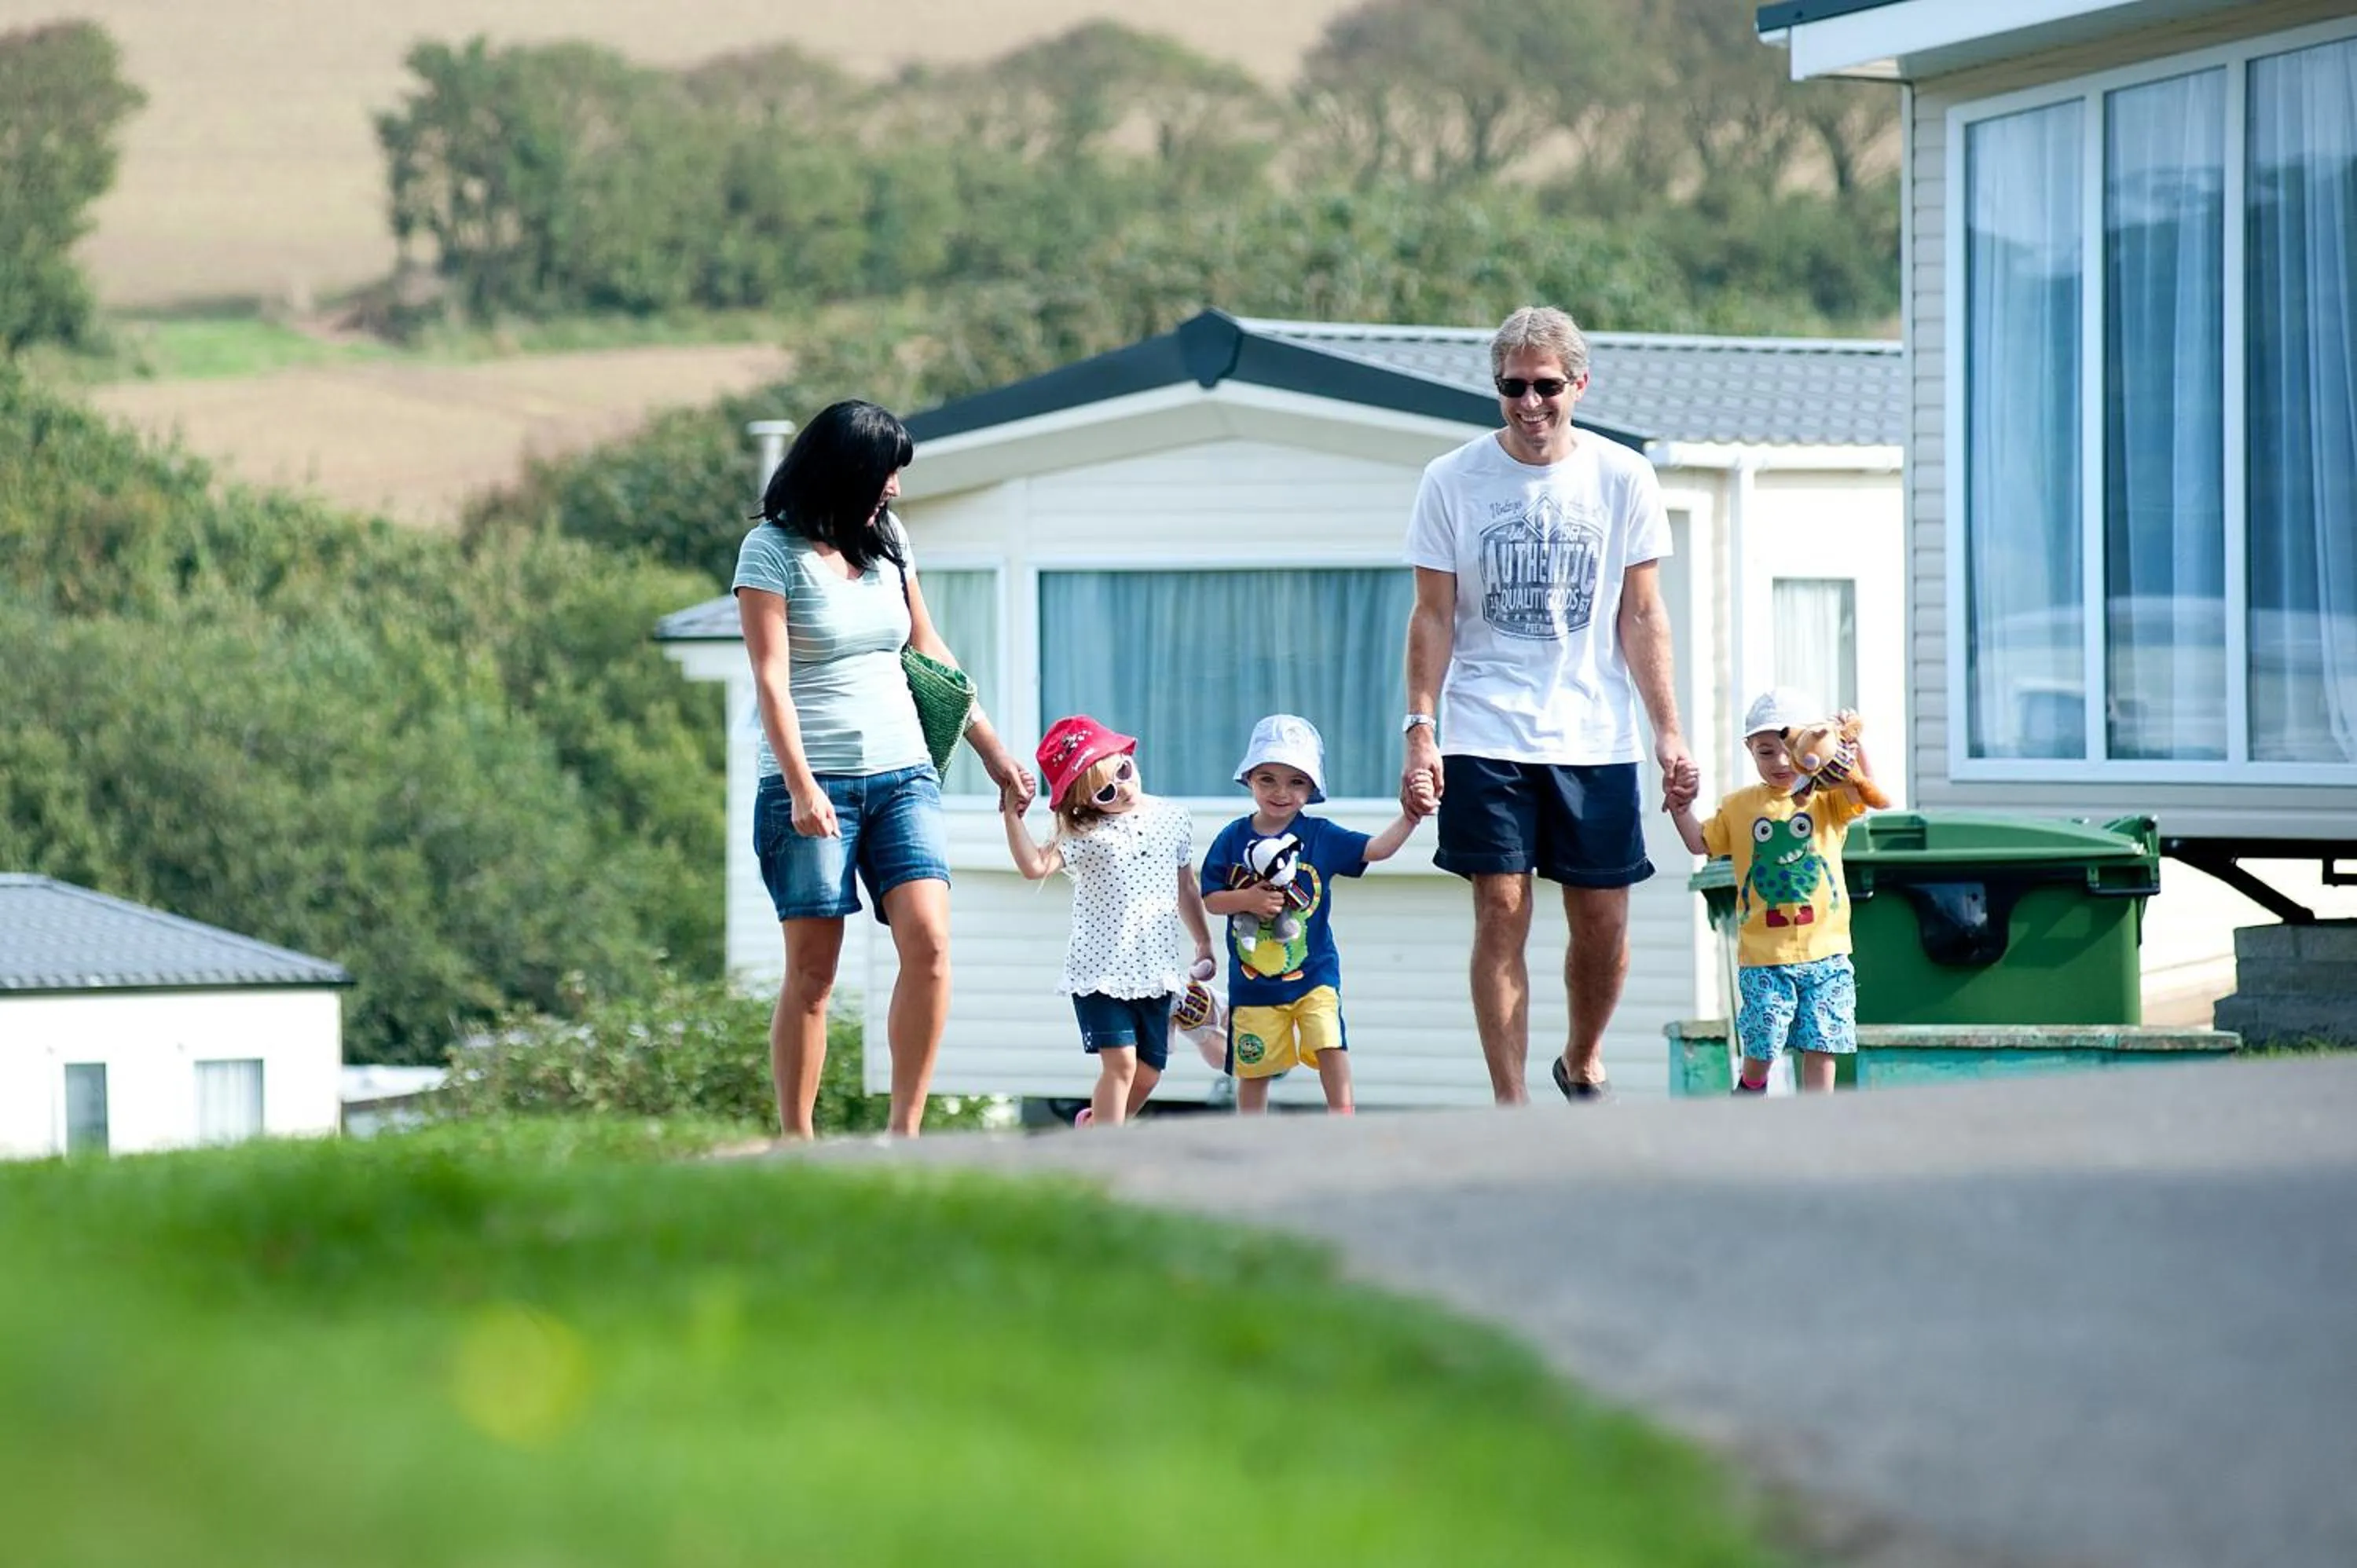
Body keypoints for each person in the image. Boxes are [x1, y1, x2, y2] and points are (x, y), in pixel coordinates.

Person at [1399, 305, 1695, 1107]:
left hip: (1593, 730)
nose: (1530, 404)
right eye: (1513, 388)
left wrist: (1670, 734)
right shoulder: (1451, 480)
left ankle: (1583, 1057)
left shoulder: (1621, 476)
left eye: (1546, 387)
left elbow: (1642, 615)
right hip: (1484, 725)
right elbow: (1432, 615)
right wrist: (1420, 729)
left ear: (1579, 384)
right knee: (1501, 907)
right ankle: (1512, 1103)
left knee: (1602, 921)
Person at [735, 399, 1036, 1139]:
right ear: (843, 473)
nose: (894, 490)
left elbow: (928, 650)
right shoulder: (769, 553)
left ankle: (904, 1136)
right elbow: (772, 680)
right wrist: (801, 786)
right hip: (813, 786)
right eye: (884, 475)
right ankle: (798, 1142)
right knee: (814, 974)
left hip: (906, 775)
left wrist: (993, 751)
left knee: (929, 946)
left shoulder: (888, 539)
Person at [1201, 715, 1430, 1116]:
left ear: (1311, 788)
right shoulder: (1232, 837)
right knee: (1254, 1068)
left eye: (1296, 781)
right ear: (1249, 779)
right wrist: (1249, 901)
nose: (1281, 792)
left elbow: (1376, 850)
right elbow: (1211, 899)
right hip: (1254, 983)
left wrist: (1409, 819)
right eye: (1267, 778)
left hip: (1314, 974)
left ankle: (1342, 1121)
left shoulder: (1321, 835)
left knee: (1329, 1042)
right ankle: (1249, 1136)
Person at [1000, 714, 1214, 1128]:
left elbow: (1186, 886)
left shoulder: (1173, 818)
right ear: (1083, 804)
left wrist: (1203, 942)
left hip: (1155, 969)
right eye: (1105, 793)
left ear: (1127, 756)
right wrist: (1012, 816)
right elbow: (1034, 865)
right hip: (1100, 971)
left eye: (1123, 772)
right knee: (1120, 1066)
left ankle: (1096, 1126)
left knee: (1148, 1073)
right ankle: (1104, 1154)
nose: (1123, 791)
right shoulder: (1086, 835)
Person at [1668, 691, 1883, 1094]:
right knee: (1764, 1038)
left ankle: (1816, 1119)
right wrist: (1681, 809)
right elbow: (1701, 842)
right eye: (1767, 752)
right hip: (1765, 954)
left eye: (1789, 749)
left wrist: (1852, 747)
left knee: (1824, 1042)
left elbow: (1864, 790)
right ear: (1750, 750)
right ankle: (1752, 1084)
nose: (1781, 762)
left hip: (1827, 950)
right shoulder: (1740, 806)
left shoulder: (1827, 798)